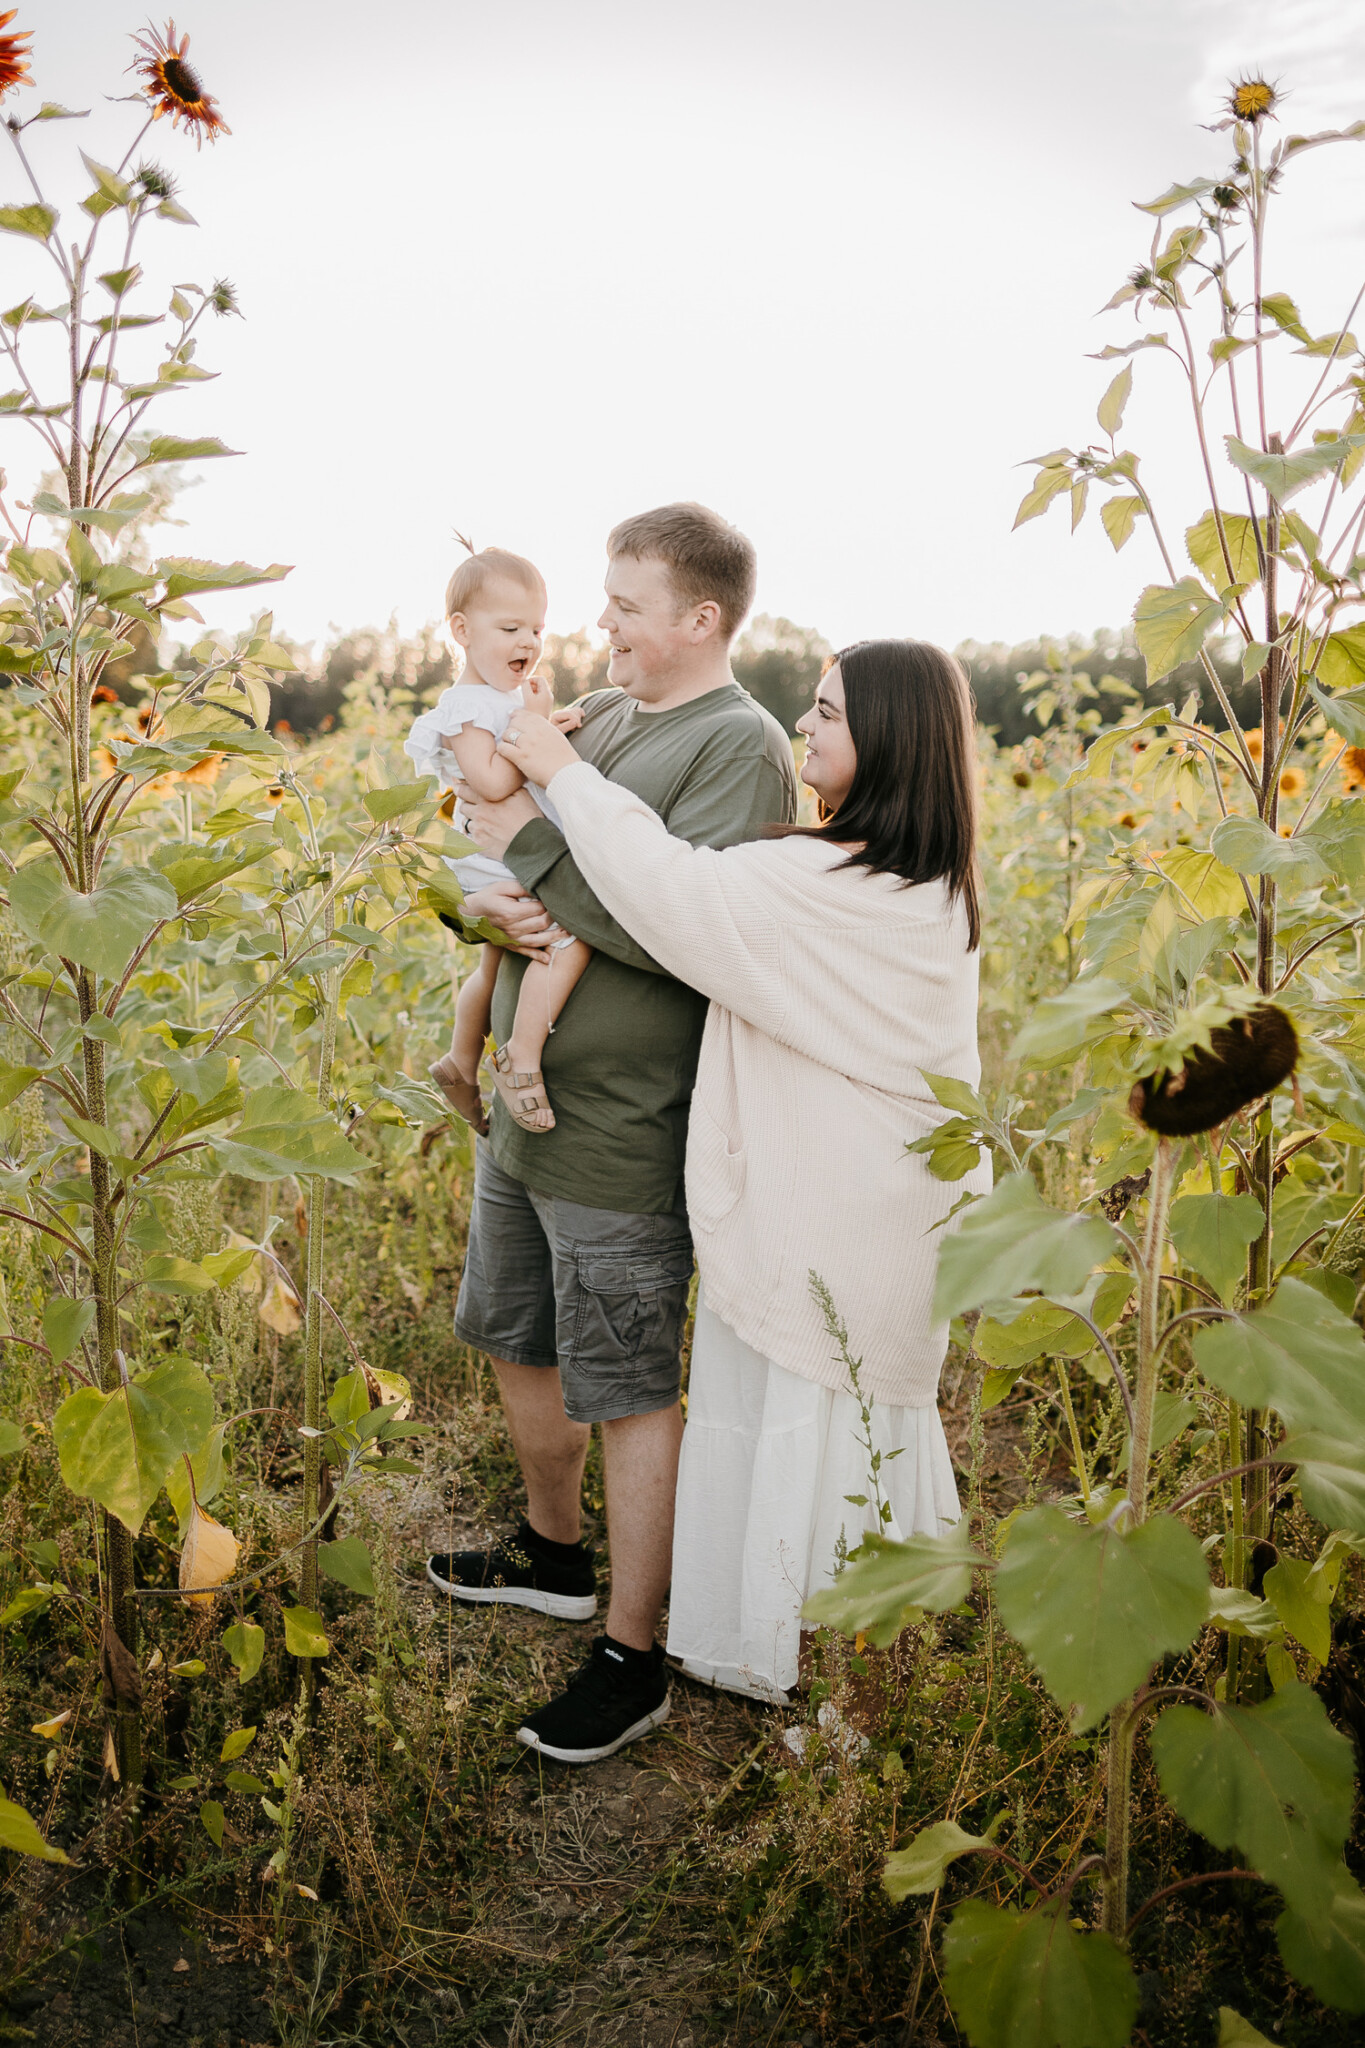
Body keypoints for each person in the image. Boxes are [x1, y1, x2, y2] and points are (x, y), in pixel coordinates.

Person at [481, 639, 991, 1704]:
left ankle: (830, 1673)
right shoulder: (911, 880)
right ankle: (819, 1657)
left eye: (828, 712)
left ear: (890, 742)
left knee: (819, 1414)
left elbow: (670, 891)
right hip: (862, 1199)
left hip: (838, 1206)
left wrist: (556, 778)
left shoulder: (838, 884)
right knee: (829, 1421)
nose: (804, 725)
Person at [424, 504, 799, 1763]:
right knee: (519, 1337)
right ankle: (552, 1554)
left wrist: (522, 847)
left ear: (700, 618)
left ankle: (631, 1652)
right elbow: (505, 854)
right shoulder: (608, 719)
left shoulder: (738, 747)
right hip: (529, 1118)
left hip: (623, 1130)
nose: (602, 627)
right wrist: (491, 898)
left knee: (629, 1386)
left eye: (627, 606)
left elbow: (688, 927)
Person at [404, 545, 591, 1136]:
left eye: (536, 628)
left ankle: (460, 1061)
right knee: (565, 941)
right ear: (461, 630)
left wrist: (541, 722)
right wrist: (534, 730)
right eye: (510, 627)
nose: (528, 642)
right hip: (493, 860)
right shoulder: (464, 707)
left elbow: (519, 754)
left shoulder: (504, 701)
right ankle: (521, 1057)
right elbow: (488, 782)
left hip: (503, 853)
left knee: (491, 963)